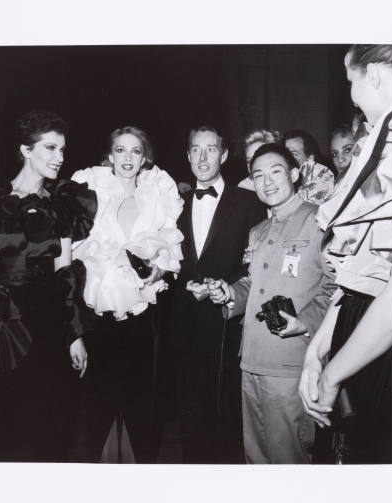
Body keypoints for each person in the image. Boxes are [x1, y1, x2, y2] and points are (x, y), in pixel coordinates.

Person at [0, 109, 98, 462]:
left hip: (50, 326)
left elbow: (66, 273)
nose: (60, 157)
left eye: (62, 149)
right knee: (7, 428)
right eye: (50, 148)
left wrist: (75, 334)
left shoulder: (62, 205)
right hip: (5, 325)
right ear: (26, 150)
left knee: (52, 428)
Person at [208, 143, 336, 464]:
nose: (267, 182)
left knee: (288, 459)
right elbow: (252, 283)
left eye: (275, 172)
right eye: (258, 175)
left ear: (293, 174)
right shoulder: (258, 231)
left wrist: (304, 321)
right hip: (250, 360)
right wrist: (230, 294)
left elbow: (336, 287)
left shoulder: (318, 222)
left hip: (292, 364)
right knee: (256, 459)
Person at [298, 44, 392, 464]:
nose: (351, 94)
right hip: (359, 328)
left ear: (372, 74)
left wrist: (336, 372)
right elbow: (365, 273)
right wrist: (318, 349)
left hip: (382, 346)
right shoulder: (387, 145)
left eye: (349, 80)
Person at [71, 126, 184, 463]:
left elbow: (171, 246)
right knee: (101, 400)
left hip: (142, 314)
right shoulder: (90, 190)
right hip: (98, 313)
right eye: (121, 150)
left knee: (139, 401)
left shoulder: (156, 192)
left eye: (136, 151)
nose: (128, 158)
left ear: (144, 157)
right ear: (110, 155)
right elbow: (73, 248)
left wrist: (160, 269)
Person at [169, 125, 265, 463]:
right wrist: (186, 285)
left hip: (229, 322)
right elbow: (166, 262)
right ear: (188, 155)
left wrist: (224, 287)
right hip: (185, 322)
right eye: (196, 149)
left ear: (224, 155)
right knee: (190, 414)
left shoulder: (249, 202)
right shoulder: (172, 204)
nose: (203, 156)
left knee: (228, 415)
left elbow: (259, 262)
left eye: (211, 149)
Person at [283, 129, 334, 204]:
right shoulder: (285, 175)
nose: (287, 159)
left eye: (293, 154)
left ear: (310, 159)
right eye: (285, 154)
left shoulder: (322, 176)